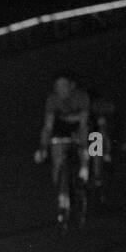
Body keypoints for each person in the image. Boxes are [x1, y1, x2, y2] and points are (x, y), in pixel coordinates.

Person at [34, 73, 89, 223]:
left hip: (79, 129)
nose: (60, 89)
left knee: (95, 139)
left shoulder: (82, 97)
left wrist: (84, 149)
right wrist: (43, 147)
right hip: (61, 131)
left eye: (63, 86)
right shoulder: (52, 100)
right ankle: (62, 192)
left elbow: (84, 125)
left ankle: (89, 169)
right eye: (57, 87)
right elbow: (48, 126)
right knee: (58, 161)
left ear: (72, 86)